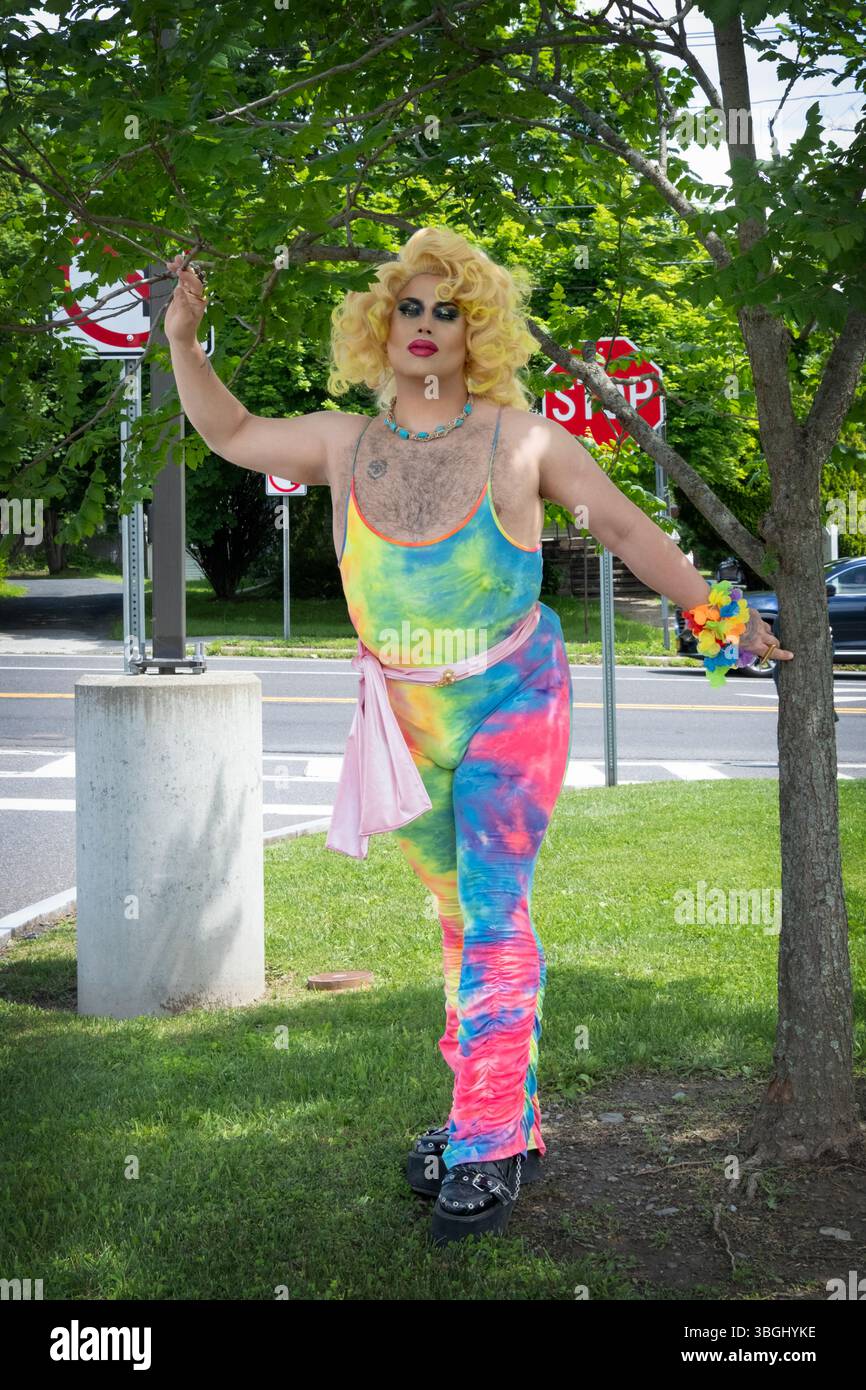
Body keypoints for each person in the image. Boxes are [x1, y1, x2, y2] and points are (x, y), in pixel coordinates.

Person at [164, 227, 792, 1247]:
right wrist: (184, 342)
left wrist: (720, 618)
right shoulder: (344, 442)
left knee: (496, 911)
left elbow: (627, 530)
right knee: (458, 922)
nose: (422, 326)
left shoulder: (522, 440)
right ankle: (498, 1113)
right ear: (381, 324)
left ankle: (488, 1136)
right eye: (407, 308)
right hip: (402, 720)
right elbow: (233, 431)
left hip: (511, 699)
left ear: (475, 330)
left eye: (444, 310)